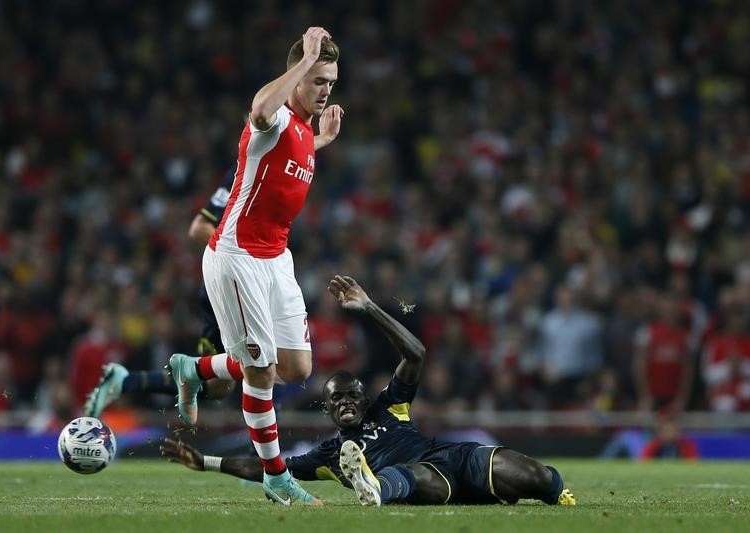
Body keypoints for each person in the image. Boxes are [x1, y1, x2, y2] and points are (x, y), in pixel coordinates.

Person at [161, 275, 576, 507]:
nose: (345, 401)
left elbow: (416, 353)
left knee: (542, 479)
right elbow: (269, 468)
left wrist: (369, 307)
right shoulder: (326, 456)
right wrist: (207, 462)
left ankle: (561, 497)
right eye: (335, 398)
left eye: (351, 395)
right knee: (408, 477)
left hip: (457, 457)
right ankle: (373, 486)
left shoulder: (390, 406)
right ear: (326, 410)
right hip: (426, 480)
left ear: (364, 397)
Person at [168, 26, 344, 506]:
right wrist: (303, 62)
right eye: (317, 79)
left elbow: (289, 162)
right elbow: (262, 111)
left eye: (330, 81)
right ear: (299, 75)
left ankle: (196, 368)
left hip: (277, 259)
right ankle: (276, 478)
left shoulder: (304, 131)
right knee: (261, 372)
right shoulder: (276, 117)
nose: (325, 89)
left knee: (295, 366)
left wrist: (322, 142)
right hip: (237, 257)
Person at [83, 168, 237, 418]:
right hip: (235, 283)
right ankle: (264, 455)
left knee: (218, 385)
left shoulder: (287, 160)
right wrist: (245, 257)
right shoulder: (245, 169)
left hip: (247, 279)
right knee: (273, 363)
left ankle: (125, 382)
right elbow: (200, 228)